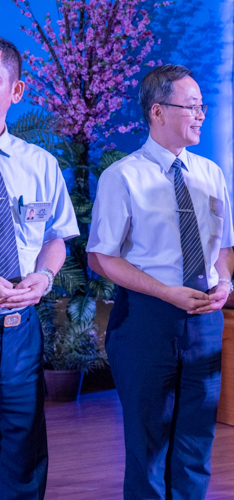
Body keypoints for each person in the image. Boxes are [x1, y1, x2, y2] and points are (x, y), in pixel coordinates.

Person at [87, 64, 234, 500]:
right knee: (148, 442)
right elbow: (100, 257)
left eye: (202, 106)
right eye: (191, 106)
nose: (200, 115)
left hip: (206, 319)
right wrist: (165, 291)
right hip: (147, 320)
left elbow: (223, 247)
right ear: (157, 111)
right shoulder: (123, 176)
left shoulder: (211, 173)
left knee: (196, 441)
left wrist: (224, 282)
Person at [0, 37, 79, 498]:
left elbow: (56, 238)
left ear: (17, 91)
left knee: (23, 448)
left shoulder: (39, 165)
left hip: (18, 329)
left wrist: (44, 276)